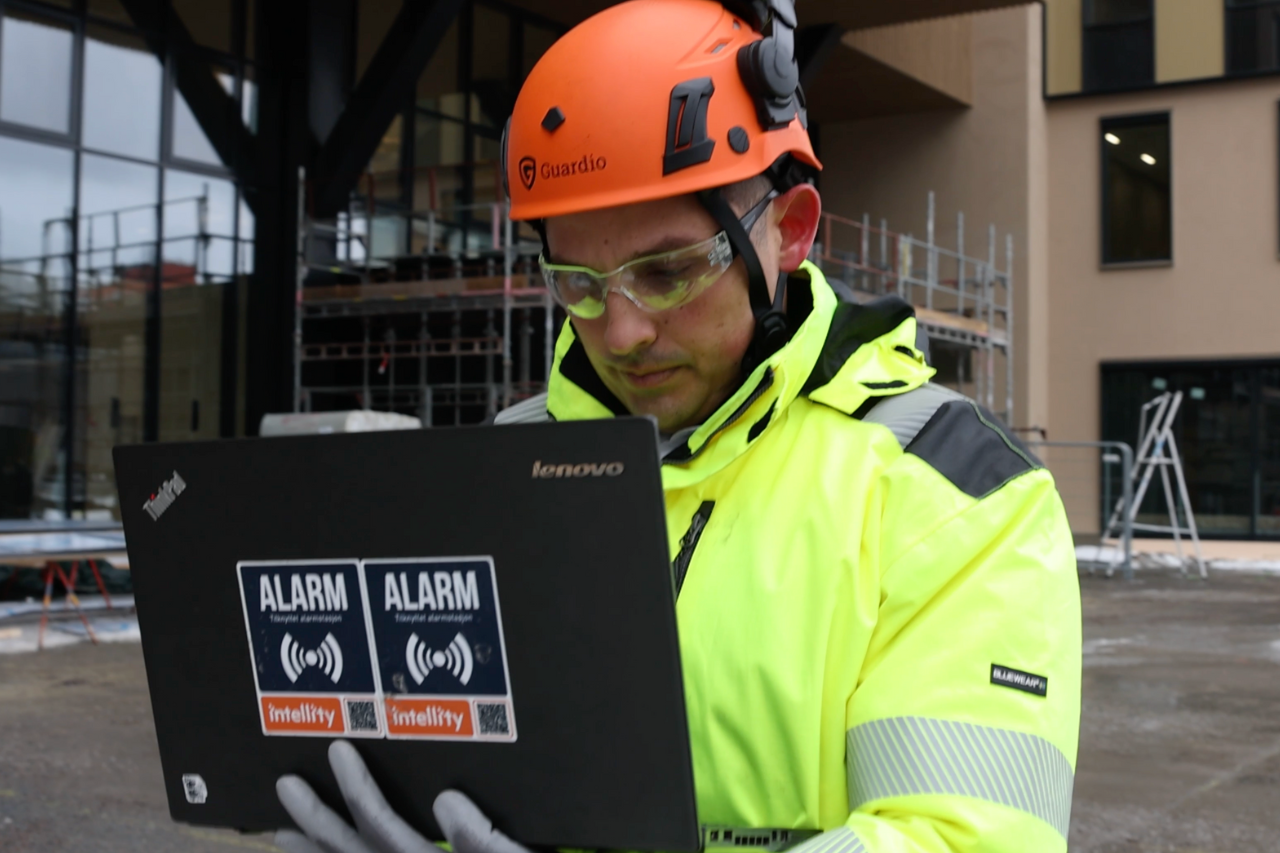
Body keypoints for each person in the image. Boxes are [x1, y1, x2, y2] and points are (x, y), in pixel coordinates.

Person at [273, 1, 1082, 851]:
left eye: (665, 272)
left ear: (791, 230)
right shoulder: (507, 464)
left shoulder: (958, 497)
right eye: (579, 283)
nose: (621, 331)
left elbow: (959, 837)